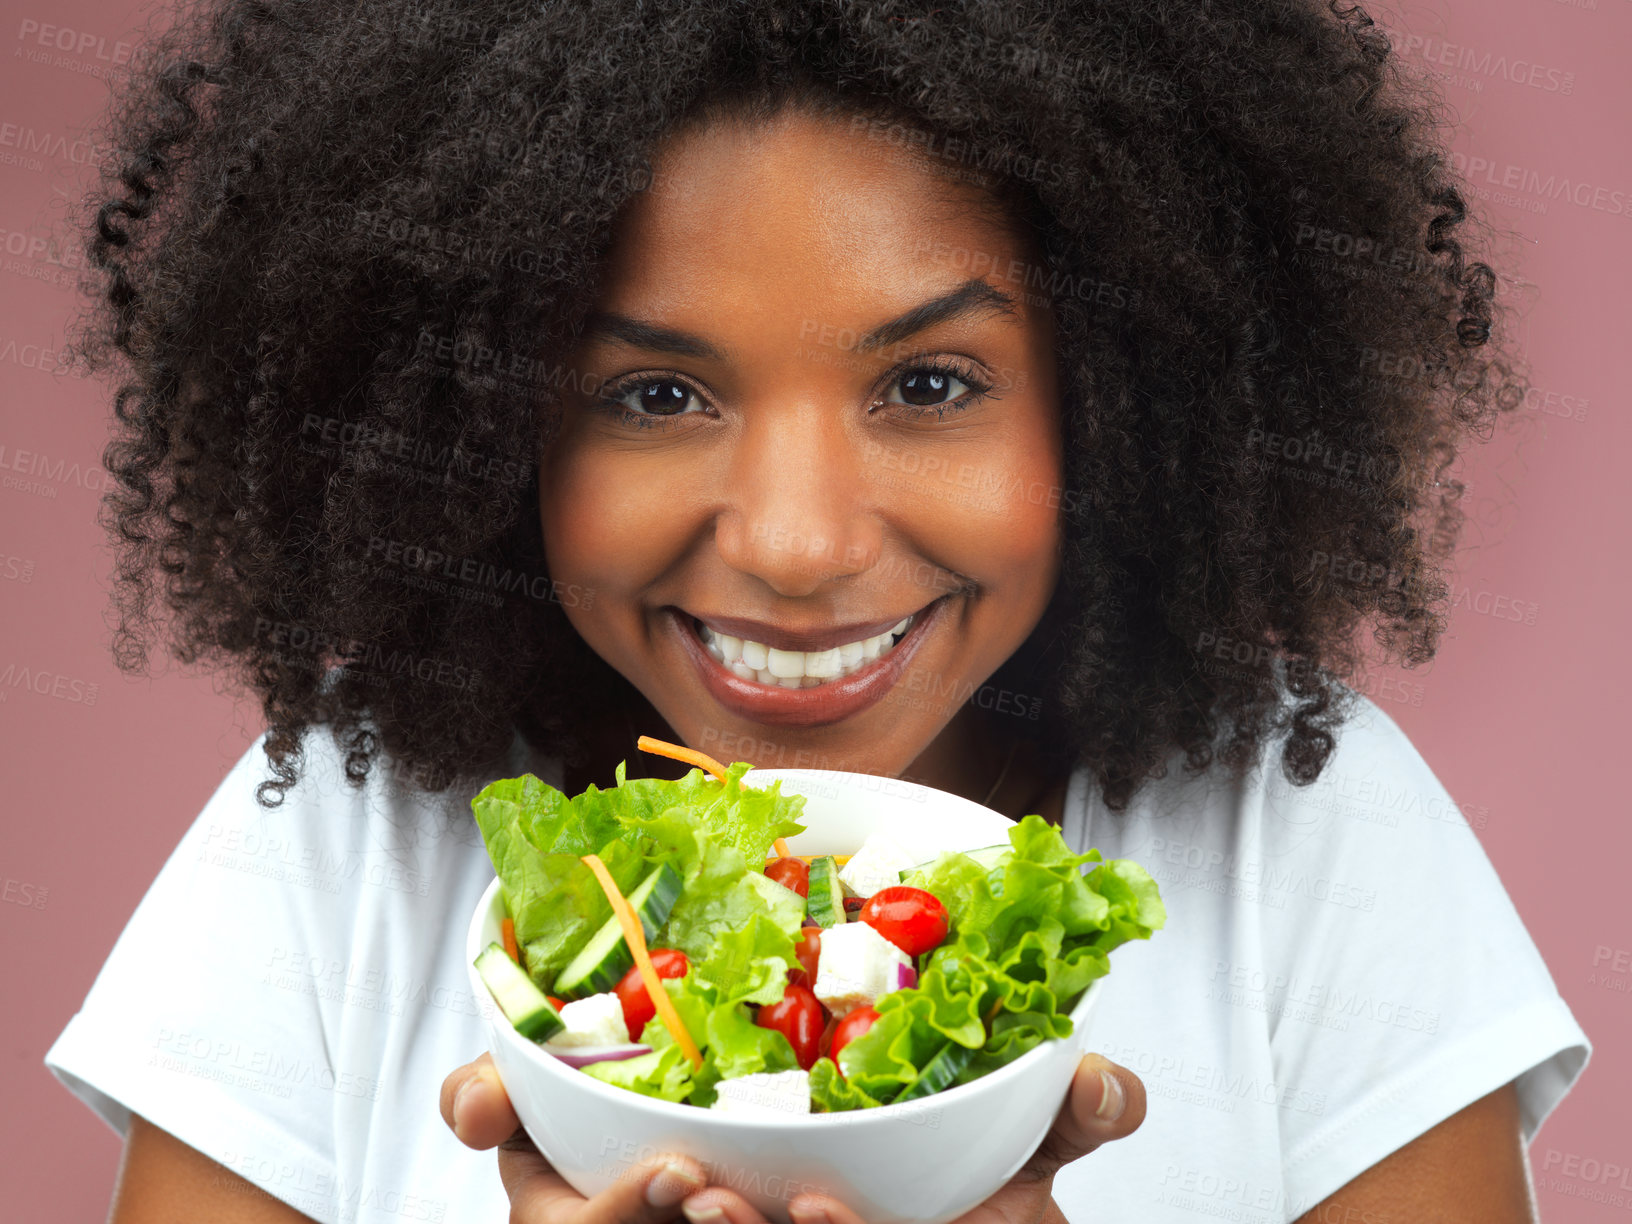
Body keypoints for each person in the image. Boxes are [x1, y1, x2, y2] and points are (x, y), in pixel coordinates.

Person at [44, 0, 1588, 1221]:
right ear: (479, 419)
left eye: (929, 384)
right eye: (656, 392)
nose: (792, 544)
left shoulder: (1307, 834)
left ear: (1128, 409)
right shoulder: (337, 840)